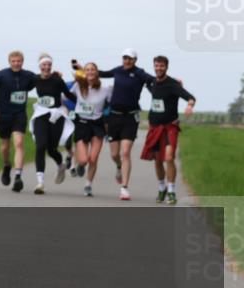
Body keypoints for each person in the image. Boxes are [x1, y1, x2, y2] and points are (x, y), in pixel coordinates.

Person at [97, 48, 154, 200]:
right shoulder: (118, 70)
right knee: (115, 154)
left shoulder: (140, 73)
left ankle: (124, 188)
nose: (127, 61)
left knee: (126, 152)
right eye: (125, 58)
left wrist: (171, 84)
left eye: (130, 58)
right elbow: (102, 73)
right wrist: (82, 69)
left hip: (130, 118)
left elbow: (153, 80)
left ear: (135, 60)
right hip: (114, 117)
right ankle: (118, 166)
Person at [141, 55, 196, 205]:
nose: (159, 68)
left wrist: (190, 105)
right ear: (154, 66)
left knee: (169, 157)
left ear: (166, 67)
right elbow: (140, 76)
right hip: (154, 127)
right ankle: (161, 188)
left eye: (162, 66)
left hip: (170, 127)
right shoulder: (151, 82)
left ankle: (171, 191)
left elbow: (190, 97)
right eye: (156, 66)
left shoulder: (173, 84)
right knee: (158, 160)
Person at [0, 51, 40, 192]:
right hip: (2, 116)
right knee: (5, 146)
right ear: (9, 61)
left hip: (19, 115)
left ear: (22, 61)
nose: (16, 63)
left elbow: (42, 80)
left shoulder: (28, 76)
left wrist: (53, 76)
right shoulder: (1, 75)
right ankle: (6, 165)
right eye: (13, 61)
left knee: (19, 143)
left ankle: (18, 177)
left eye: (19, 61)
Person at [27, 54, 76, 194]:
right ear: (39, 66)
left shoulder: (57, 80)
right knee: (40, 146)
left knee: (52, 149)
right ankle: (40, 183)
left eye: (49, 65)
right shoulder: (35, 79)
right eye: (44, 65)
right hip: (41, 115)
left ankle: (61, 165)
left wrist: (81, 103)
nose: (47, 67)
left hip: (56, 116)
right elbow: (23, 87)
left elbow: (68, 94)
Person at [70, 63, 113, 197]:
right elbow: (65, 97)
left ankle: (88, 185)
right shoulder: (78, 86)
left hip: (97, 124)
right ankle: (79, 165)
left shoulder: (106, 88)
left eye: (92, 70)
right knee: (83, 160)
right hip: (82, 123)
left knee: (93, 159)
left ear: (97, 72)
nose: (90, 72)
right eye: (87, 70)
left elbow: (112, 102)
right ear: (84, 72)